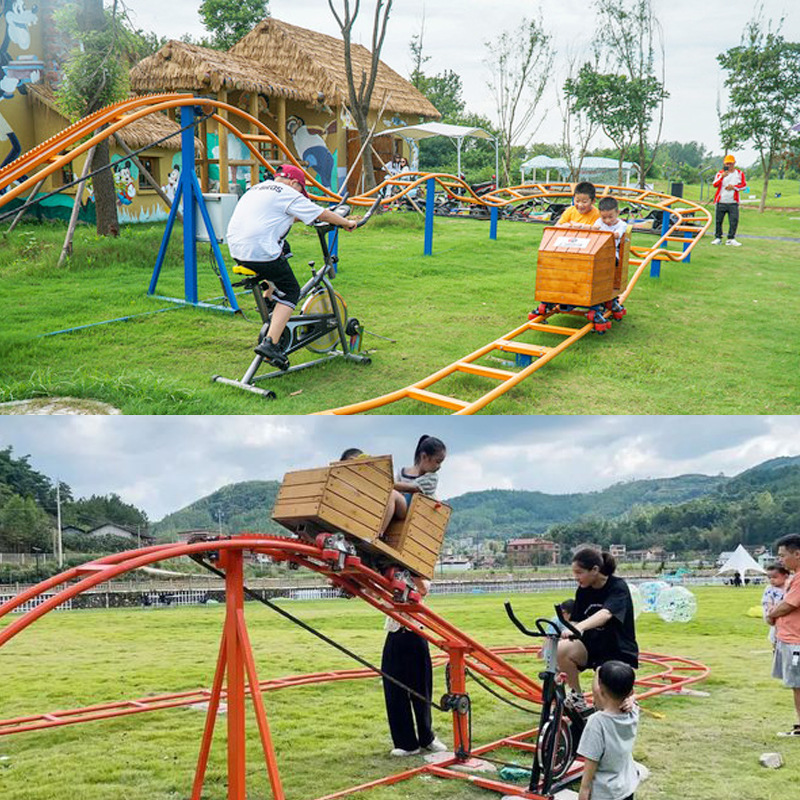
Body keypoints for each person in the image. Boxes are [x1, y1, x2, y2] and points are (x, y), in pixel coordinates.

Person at [225, 164, 358, 370]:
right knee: (291, 291)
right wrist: (345, 222)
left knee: (283, 248)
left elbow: (281, 215)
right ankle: (270, 344)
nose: (300, 195)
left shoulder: (257, 189)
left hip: (237, 250)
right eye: (301, 191)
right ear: (294, 183)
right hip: (261, 252)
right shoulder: (288, 192)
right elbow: (321, 214)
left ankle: (270, 297)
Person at [557, 548, 639, 713]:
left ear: (595, 570)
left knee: (599, 692)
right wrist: (562, 635)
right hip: (592, 647)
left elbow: (606, 614)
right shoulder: (583, 590)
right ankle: (576, 697)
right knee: (561, 648)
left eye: (579, 573)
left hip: (616, 650)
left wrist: (580, 627)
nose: (576, 577)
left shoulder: (617, 587)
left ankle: (626, 702)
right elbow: (576, 619)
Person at [381, 577, 448, 756]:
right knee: (394, 690)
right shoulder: (385, 572)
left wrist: (409, 572)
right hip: (394, 634)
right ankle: (406, 744)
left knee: (421, 689)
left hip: (416, 634)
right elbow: (372, 591)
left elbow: (423, 588)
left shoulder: (418, 572)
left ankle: (427, 738)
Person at [576, 661, 640, 800]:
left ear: (600, 689)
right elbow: (633, 700)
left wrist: (584, 792)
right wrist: (632, 698)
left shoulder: (597, 722)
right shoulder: (632, 712)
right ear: (630, 692)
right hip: (626, 788)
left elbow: (590, 769)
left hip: (605, 794)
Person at [766, 533, 800, 737]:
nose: (780, 560)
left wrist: (771, 614)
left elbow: (788, 604)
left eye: (783, 555)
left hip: (796, 641)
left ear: (797, 554)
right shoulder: (793, 577)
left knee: (798, 685)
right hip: (789, 638)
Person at [338, 448, 408, 537]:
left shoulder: (371, 470)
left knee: (391, 494)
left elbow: (386, 482)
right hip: (378, 506)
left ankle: (380, 534)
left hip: (400, 504)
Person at [395, 435, 447, 507]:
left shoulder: (431, 478)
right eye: (438, 462)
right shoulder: (402, 472)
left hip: (416, 510)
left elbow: (413, 488)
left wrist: (389, 484)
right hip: (399, 507)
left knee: (393, 495)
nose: (439, 467)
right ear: (424, 456)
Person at [711, 154, 747, 247]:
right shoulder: (720, 173)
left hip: (733, 202)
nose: (729, 166)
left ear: (734, 163)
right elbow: (715, 184)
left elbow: (744, 186)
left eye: (731, 164)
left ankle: (731, 238)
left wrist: (734, 187)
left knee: (734, 220)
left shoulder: (739, 173)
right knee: (718, 220)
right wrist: (721, 177)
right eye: (727, 164)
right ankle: (718, 238)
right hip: (721, 200)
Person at [762, 563, 790, 647]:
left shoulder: (790, 587)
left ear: (785, 576)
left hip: (788, 619)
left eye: (774, 577)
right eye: (769, 578)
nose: (771, 580)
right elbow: (767, 601)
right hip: (775, 617)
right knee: (775, 637)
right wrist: (770, 610)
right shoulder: (769, 589)